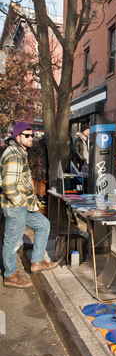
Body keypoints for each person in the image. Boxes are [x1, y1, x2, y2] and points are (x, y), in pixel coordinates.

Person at [0, 122, 58, 289]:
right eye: (27, 135)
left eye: (32, 135)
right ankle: (10, 275)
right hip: (17, 206)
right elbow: (8, 185)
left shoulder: (20, 153)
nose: (30, 138)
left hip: (25, 205)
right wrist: (20, 203)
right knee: (12, 242)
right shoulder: (14, 155)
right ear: (17, 137)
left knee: (43, 224)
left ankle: (37, 261)